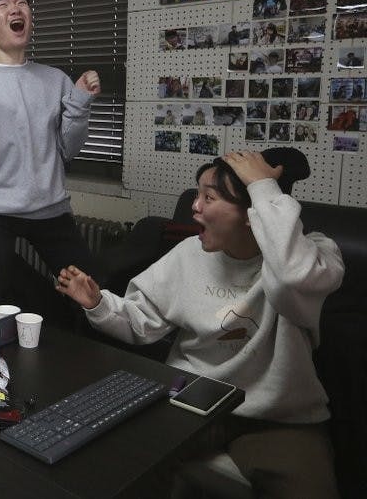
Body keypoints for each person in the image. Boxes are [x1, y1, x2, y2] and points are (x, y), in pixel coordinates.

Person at [56, 149, 342, 498]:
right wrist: (98, 303)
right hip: (195, 399)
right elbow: (143, 320)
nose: (195, 207)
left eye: (209, 197)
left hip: (279, 418)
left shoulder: (315, 256)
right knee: (122, 467)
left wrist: (263, 186)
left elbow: (289, 278)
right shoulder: (190, 253)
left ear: (253, 212)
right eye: (197, 194)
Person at [0, 0, 104, 320]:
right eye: (3, 5)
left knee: (95, 295)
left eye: (21, 3)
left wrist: (79, 101)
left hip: (50, 207)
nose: (15, 9)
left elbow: (68, 148)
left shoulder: (55, 80)